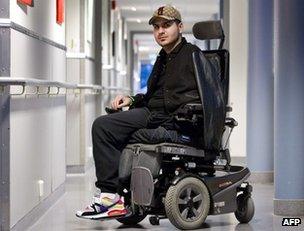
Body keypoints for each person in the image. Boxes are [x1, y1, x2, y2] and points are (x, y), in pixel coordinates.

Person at [76, 5, 203, 220]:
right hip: (151, 113)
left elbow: (207, 97)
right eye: (156, 27)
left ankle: (109, 196)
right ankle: (117, 195)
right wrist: (132, 99)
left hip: (172, 119)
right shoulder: (163, 57)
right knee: (108, 123)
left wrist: (181, 115)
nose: (160, 31)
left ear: (180, 27)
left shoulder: (193, 56)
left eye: (166, 25)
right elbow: (153, 95)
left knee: (103, 126)